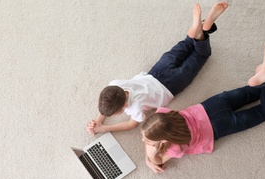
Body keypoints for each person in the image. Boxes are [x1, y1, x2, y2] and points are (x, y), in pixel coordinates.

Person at [86, 2, 229, 135]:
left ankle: (202, 32)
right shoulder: (114, 84)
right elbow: (109, 99)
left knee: (200, 56)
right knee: (185, 45)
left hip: (170, 86)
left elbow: (130, 125)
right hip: (156, 72)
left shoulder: (134, 108)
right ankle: (201, 27)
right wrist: (98, 120)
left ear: (124, 106)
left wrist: (104, 128)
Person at [141, 40, 265, 173]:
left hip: (219, 126)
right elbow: (157, 128)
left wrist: (149, 158)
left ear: (164, 139)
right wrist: (152, 139)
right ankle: (263, 71)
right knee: (253, 92)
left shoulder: (175, 148)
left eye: (147, 140)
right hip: (213, 104)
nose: (143, 141)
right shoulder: (163, 112)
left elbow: (158, 160)